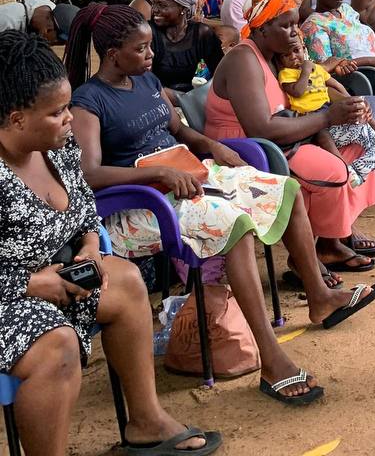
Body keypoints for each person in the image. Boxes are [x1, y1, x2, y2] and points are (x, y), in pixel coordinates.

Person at [65, 5, 375, 405]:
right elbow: (90, 173)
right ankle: (272, 360)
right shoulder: (88, 102)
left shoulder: (146, 80)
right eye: (141, 48)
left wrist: (214, 146)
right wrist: (158, 174)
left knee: (284, 190)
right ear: (112, 54)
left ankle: (320, 297)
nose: (151, 54)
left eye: (149, 46)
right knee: (235, 225)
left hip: (185, 178)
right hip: (141, 204)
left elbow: (180, 131)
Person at [0, 29, 222, 456]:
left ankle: (146, 421)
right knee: (57, 346)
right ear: (16, 119)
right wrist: (33, 284)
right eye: (57, 112)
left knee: (125, 280)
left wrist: (88, 247)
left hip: (60, 280)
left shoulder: (57, 147)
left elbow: (85, 208)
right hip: (10, 298)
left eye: (68, 107)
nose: (70, 119)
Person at [205, 0, 375, 274]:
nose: (295, 32)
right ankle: (308, 256)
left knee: (357, 146)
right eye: (286, 26)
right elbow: (261, 129)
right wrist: (328, 118)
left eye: (295, 24)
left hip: (284, 139)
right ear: (262, 27)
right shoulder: (243, 59)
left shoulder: (275, 56)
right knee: (333, 170)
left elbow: (313, 90)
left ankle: (329, 242)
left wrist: (350, 108)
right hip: (248, 150)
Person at [278, 34, 375, 187]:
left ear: (304, 50)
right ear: (280, 60)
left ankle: (374, 136)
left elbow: (336, 85)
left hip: (330, 109)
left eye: (296, 51)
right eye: (286, 55)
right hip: (311, 119)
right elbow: (298, 92)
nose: (293, 56)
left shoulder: (317, 69)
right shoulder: (286, 74)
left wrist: (351, 102)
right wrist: (305, 71)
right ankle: (344, 167)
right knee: (323, 136)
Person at [150, 0, 235, 91]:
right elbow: (144, 81)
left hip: (195, 97)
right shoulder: (149, 33)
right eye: (153, 3)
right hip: (158, 97)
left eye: (162, 5)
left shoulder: (202, 34)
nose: (154, 9)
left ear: (183, 9)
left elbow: (219, 73)